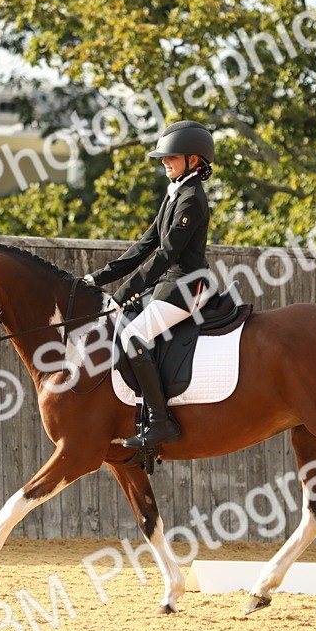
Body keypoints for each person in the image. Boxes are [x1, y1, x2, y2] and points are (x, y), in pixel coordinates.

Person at [84, 120, 215, 450]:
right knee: (119, 327)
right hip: (169, 286)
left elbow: (166, 254)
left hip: (188, 286)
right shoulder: (174, 194)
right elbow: (144, 245)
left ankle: (161, 422)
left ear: (194, 161)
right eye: (164, 158)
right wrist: (99, 278)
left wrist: (122, 294)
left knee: (132, 335)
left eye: (171, 157)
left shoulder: (192, 200)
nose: (164, 162)